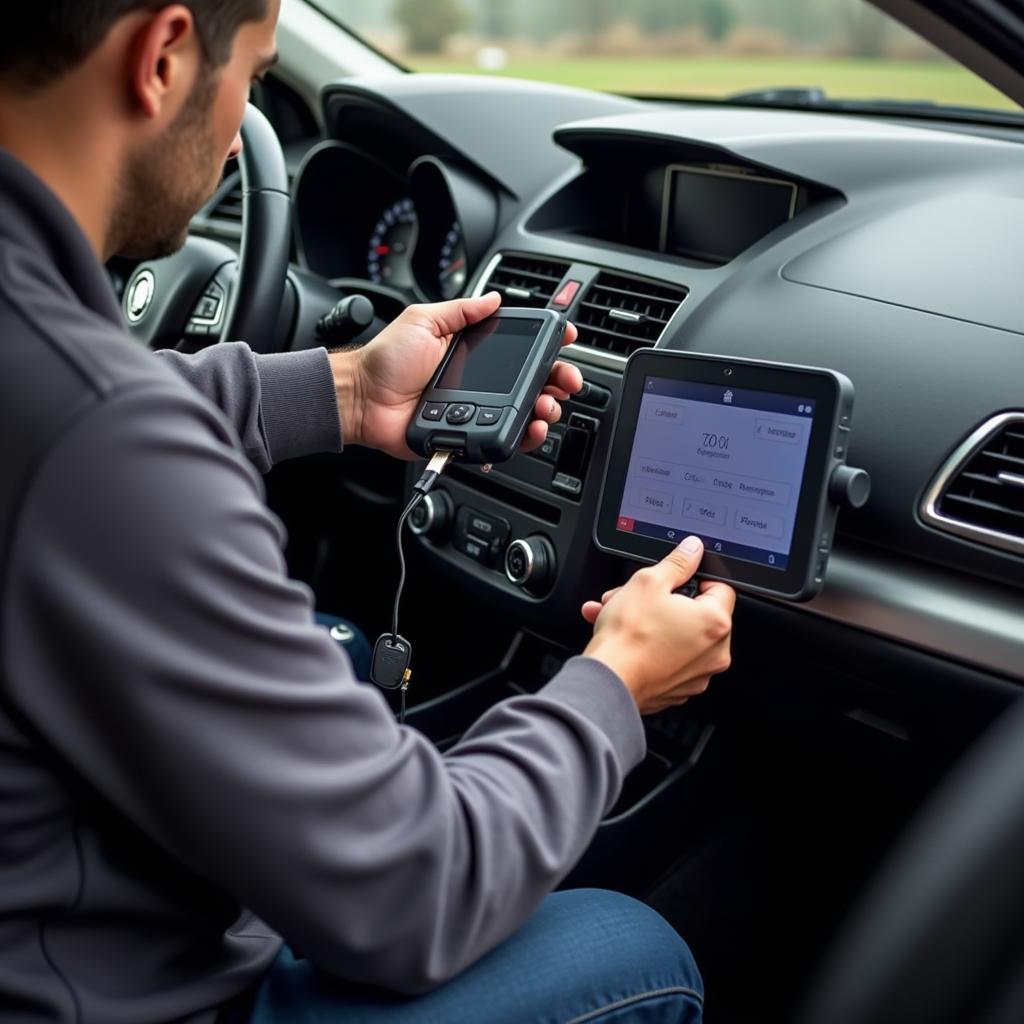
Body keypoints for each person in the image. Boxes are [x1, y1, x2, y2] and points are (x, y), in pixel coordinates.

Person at [0, 2, 736, 1022]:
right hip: (97, 992)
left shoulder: (60, 383)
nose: (236, 125)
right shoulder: (104, 444)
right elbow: (416, 894)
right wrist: (614, 686)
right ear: (162, 57)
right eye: (255, 78)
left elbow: (73, 421)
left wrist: (348, 389)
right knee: (634, 950)